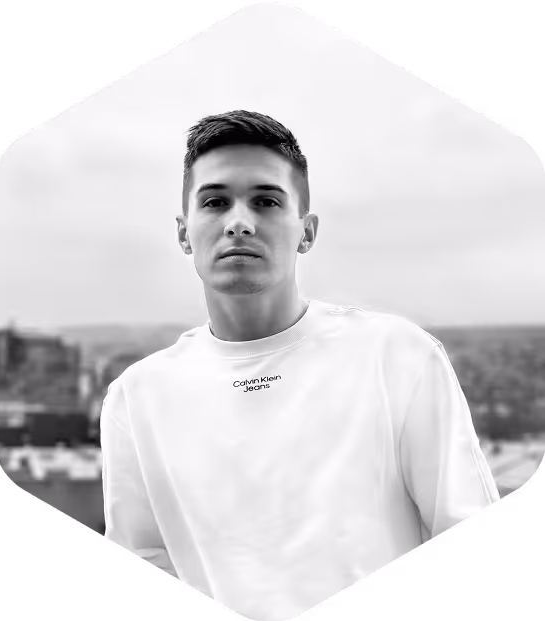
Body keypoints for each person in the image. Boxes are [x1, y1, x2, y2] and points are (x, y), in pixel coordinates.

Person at [100, 110, 500, 619]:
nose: (239, 222)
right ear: (184, 233)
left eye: (266, 201)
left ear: (306, 232)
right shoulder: (137, 397)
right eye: (215, 202)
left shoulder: (396, 356)